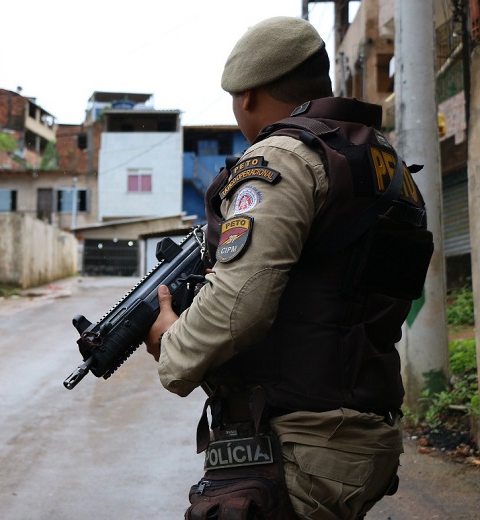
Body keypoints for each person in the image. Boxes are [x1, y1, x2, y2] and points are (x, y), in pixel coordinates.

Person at [144, 16, 433, 520]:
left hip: (303, 446)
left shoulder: (282, 157)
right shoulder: (384, 163)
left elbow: (241, 304)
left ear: (248, 95)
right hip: (359, 432)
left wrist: (172, 342)